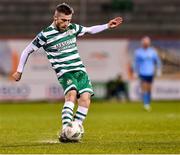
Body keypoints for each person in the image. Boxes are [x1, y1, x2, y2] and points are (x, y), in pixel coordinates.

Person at [12, 3, 123, 142]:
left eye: (69, 20)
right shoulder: (45, 34)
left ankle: (75, 127)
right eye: (64, 20)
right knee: (71, 95)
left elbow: (89, 30)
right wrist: (19, 71)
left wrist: (107, 25)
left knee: (86, 98)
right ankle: (66, 129)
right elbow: (27, 50)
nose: (67, 23)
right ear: (55, 18)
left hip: (80, 70)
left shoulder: (72, 28)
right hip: (65, 72)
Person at [133, 36, 162, 111]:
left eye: (147, 43)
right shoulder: (138, 52)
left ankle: (148, 103)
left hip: (151, 73)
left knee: (149, 89)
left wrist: (159, 70)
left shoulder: (153, 51)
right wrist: (135, 71)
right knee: (144, 88)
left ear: (149, 43)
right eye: (144, 43)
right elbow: (136, 62)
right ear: (142, 43)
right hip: (142, 73)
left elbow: (158, 61)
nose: (146, 44)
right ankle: (146, 104)